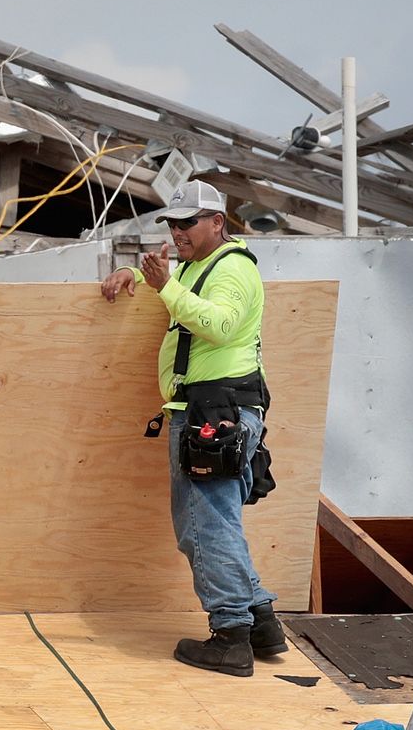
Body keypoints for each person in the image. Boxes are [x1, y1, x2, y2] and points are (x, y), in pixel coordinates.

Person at [101, 180, 285, 677]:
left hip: (216, 408)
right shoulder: (200, 265)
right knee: (217, 520)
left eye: (187, 223)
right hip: (213, 406)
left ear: (216, 223)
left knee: (203, 525)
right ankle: (261, 620)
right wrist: (130, 273)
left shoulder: (231, 270)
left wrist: (164, 286)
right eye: (172, 224)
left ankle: (230, 637)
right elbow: (174, 282)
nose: (177, 232)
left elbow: (220, 325)